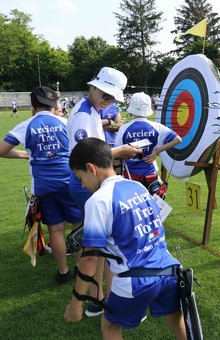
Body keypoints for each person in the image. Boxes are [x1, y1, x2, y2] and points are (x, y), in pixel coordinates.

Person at [64, 138, 186, 340]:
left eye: (80, 178)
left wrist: (76, 303)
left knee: (110, 326)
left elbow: (89, 260)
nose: (83, 186)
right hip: (170, 270)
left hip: (136, 280)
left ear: (91, 168)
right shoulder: (137, 187)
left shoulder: (98, 200)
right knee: (175, 318)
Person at [67, 66, 142, 317]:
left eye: (112, 98)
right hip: (87, 184)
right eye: (106, 96)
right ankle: (107, 300)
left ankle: (98, 300)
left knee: (100, 249)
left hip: (89, 182)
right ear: (95, 87)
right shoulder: (84, 115)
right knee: (106, 248)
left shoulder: (88, 111)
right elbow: (89, 158)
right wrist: (123, 151)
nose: (108, 102)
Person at [0, 86, 83, 284]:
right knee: (78, 225)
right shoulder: (65, 122)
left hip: (43, 187)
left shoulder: (27, 124)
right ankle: (80, 269)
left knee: (55, 229)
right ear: (55, 104)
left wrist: (25, 154)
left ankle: (63, 272)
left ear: (33, 105)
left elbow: (2, 150)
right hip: (69, 182)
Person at [115, 92, 182, 196]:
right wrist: (156, 152)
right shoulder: (156, 127)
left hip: (130, 177)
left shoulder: (124, 129)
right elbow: (177, 139)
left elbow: (117, 154)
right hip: (150, 177)